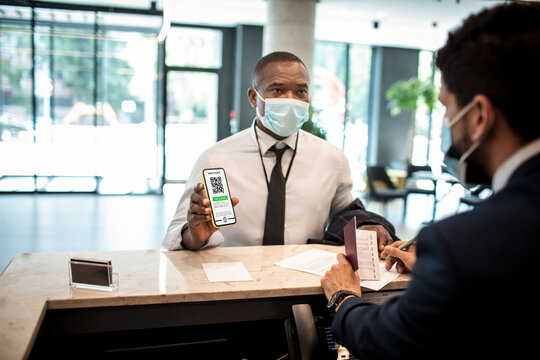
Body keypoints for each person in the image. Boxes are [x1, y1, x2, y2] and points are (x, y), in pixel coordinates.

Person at [321, 2, 540, 359]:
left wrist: (343, 297)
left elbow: (388, 340)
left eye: (446, 108)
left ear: (480, 116)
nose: (447, 122)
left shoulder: (462, 245)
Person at [163, 51, 398, 251]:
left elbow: (345, 213)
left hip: (304, 281)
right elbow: (176, 234)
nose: (291, 99)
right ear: (254, 97)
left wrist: (363, 226)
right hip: (231, 283)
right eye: (277, 90)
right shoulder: (216, 159)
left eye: (300, 92)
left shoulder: (332, 159)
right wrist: (195, 235)